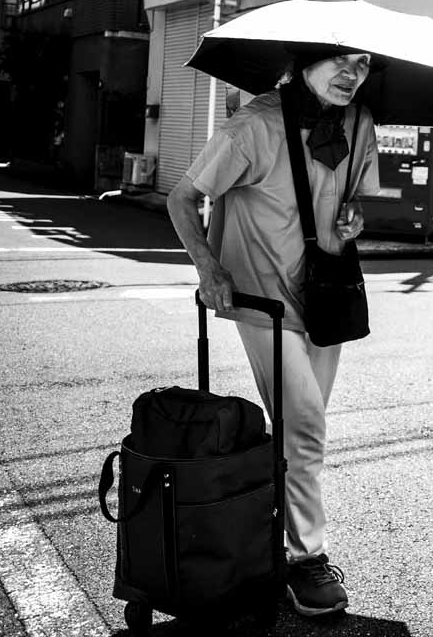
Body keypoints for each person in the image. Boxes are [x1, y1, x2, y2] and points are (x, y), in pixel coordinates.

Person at [166, 51, 381, 618]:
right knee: (305, 424)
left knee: (297, 430)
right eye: (339, 61)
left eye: (363, 64)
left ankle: (262, 526)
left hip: (327, 295)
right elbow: (181, 198)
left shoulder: (360, 123)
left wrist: (354, 216)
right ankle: (305, 557)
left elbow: (353, 199)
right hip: (262, 297)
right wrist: (209, 269)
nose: (352, 74)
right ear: (305, 62)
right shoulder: (254, 125)